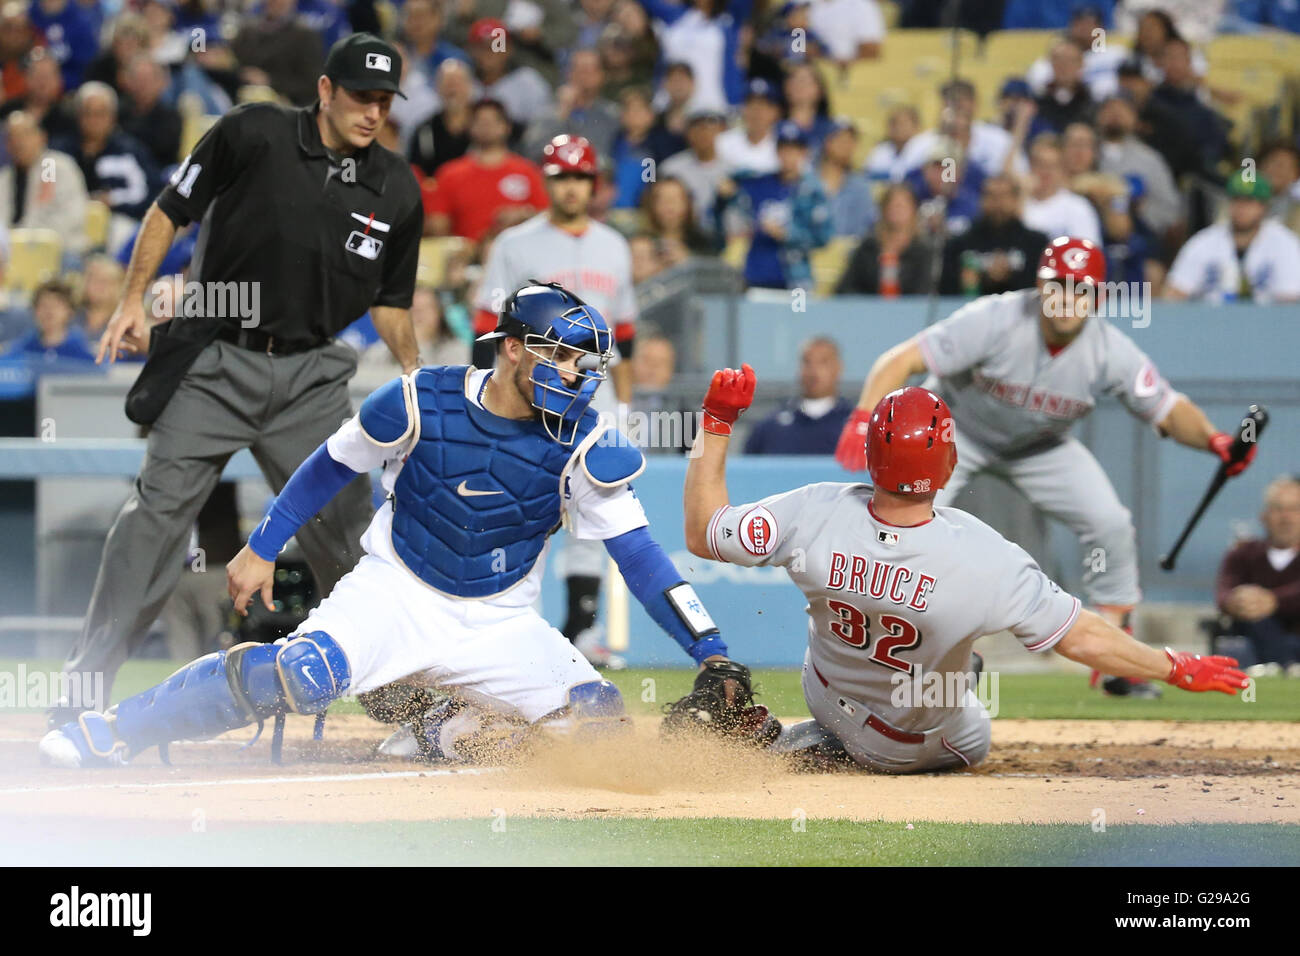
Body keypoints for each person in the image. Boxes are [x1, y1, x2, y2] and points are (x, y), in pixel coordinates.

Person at [41, 284, 768, 768]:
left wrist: (710, 649)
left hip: (498, 620)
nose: (577, 377)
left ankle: (437, 725)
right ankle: (113, 731)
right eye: (562, 358)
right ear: (513, 347)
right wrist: (263, 547)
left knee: (598, 732)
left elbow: (640, 558)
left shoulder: (588, 442)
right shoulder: (422, 400)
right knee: (301, 673)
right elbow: (331, 464)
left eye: (586, 365)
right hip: (395, 589)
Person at [48, 33, 424, 725]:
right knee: (152, 524)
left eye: (384, 100)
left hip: (314, 375)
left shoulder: (396, 187)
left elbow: (392, 306)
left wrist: (413, 373)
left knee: (350, 540)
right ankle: (81, 691)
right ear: (325, 91)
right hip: (218, 359)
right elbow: (170, 209)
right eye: (361, 97)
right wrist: (132, 298)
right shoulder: (254, 132)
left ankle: (402, 704)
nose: (373, 112)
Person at [683, 374, 1248, 773]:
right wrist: (1171, 665)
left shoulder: (813, 509)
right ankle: (811, 749)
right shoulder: (984, 555)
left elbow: (703, 531)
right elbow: (1082, 637)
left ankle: (817, 735)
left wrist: (716, 421)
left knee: (934, 666)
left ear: (872, 453)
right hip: (902, 743)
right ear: (947, 463)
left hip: (825, 693)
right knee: (972, 723)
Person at [836, 235, 1259, 697]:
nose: (1067, 297)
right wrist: (863, 418)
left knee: (1111, 524)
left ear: (1098, 296)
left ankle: (1118, 662)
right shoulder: (993, 318)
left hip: (1041, 447)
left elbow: (1167, 408)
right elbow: (900, 361)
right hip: (958, 435)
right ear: (1039, 286)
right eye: (1058, 284)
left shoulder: (1109, 350)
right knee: (908, 525)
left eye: (1081, 288)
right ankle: (896, 646)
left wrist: (1215, 440)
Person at [472, 135, 638, 669]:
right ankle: (513, 628)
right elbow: (485, 328)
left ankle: (581, 630)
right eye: (562, 176)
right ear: (548, 182)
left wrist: (627, 406)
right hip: (529, 396)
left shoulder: (615, 246)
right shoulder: (514, 244)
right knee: (520, 510)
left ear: (593, 184)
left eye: (580, 177)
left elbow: (627, 337)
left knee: (593, 512)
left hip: (597, 391)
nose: (571, 186)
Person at [716, 121, 831, 290]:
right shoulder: (760, 183)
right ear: (776, 151)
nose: (788, 155)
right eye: (784, 149)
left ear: (804, 152)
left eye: (794, 149)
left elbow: (823, 237)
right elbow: (732, 196)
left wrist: (787, 234)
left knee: (799, 313)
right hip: (757, 274)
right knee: (757, 316)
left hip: (797, 279)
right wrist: (726, 193)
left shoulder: (813, 190)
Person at [1165, 170, 1300, 303]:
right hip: (1210, 321)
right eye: (1236, 199)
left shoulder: (1285, 243)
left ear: (1263, 206)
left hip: (1267, 321)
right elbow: (1173, 294)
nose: (1241, 207)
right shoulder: (1204, 241)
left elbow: (1290, 302)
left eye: (1248, 201)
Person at [425, 97, 549, 241]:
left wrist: (523, 215)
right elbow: (438, 228)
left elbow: (547, 216)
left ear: (507, 127)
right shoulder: (449, 174)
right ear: (469, 127)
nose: (486, 126)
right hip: (466, 257)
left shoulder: (527, 172)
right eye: (480, 121)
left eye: (493, 121)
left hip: (518, 255)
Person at [1215, 476, 1300, 673]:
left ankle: (1283, 663)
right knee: (1256, 619)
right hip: (1255, 639)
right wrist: (1240, 601)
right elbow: (1224, 594)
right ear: (1264, 516)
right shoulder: (1242, 554)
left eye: (1294, 509)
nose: (1286, 517)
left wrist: (1273, 600)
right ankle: (1287, 665)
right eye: (1278, 509)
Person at [53, 81, 159, 225]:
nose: (94, 120)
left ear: (113, 117)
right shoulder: (59, 152)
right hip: (68, 221)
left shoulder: (131, 151)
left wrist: (113, 200)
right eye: (88, 113)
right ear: (78, 115)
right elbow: (45, 189)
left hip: (118, 220)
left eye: (100, 114)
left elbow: (152, 194)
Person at [939, 173, 1047, 296]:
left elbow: (1041, 289)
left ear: (1016, 200)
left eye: (1004, 196)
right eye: (991, 195)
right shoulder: (959, 245)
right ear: (981, 200)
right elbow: (945, 291)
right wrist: (980, 280)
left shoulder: (1036, 244)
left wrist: (1011, 276)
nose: (997, 203)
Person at [744, 337, 851, 455]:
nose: (814, 370)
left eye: (823, 362)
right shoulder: (770, 427)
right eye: (807, 362)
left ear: (838, 368)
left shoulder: (855, 426)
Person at [0, 111, 87, 255]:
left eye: (25, 134)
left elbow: (56, 216)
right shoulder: (4, 176)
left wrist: (24, 242)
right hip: (13, 253)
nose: (18, 142)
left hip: (58, 249)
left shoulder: (51, 166)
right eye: (12, 137)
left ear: (41, 137)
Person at [521, 48, 620, 162]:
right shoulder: (547, 113)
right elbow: (531, 151)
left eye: (589, 70)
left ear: (602, 75)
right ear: (569, 73)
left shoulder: (613, 114)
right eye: (579, 69)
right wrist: (562, 112)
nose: (583, 76)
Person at [835, 183, 931, 296]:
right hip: (868, 311)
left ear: (914, 210)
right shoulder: (868, 248)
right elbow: (846, 288)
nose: (897, 210)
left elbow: (925, 291)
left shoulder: (923, 251)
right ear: (884, 209)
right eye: (892, 205)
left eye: (902, 206)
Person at [230, 0, 324, 107]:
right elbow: (233, 65)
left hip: (288, 108)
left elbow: (312, 85)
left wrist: (270, 81)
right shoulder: (247, 31)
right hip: (242, 102)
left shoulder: (305, 36)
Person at [464, 17, 553, 128]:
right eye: (482, 47)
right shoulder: (463, 83)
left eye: (497, 45)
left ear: (509, 49)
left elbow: (543, 129)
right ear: (470, 50)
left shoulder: (528, 83)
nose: (489, 52)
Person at [1020, 133, 1102, 245]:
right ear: (1030, 166)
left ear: (1062, 169)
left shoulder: (1078, 207)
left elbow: (1087, 252)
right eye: (1040, 165)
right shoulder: (1017, 204)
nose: (1046, 172)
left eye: (1052, 166)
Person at [660, 106, 728, 237]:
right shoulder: (670, 168)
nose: (704, 134)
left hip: (726, 236)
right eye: (697, 128)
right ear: (687, 133)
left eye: (710, 128)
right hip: (682, 236)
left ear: (723, 131)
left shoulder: (735, 168)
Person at [407, 59, 475, 178]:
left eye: (458, 83)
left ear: (470, 86)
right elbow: (416, 173)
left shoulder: (485, 127)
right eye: (448, 83)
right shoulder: (425, 131)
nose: (453, 89)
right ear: (437, 88)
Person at [118, 54, 181, 169]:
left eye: (148, 80)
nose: (142, 85)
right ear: (128, 82)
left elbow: (164, 149)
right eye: (137, 79)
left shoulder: (170, 117)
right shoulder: (118, 113)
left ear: (160, 83)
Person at [816, 119, 875, 239]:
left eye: (851, 140)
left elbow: (863, 229)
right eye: (840, 139)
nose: (846, 145)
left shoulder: (860, 186)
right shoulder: (806, 182)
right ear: (827, 142)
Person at [715, 77, 781, 177]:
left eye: (763, 105)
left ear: (775, 111)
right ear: (743, 109)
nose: (757, 112)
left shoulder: (785, 146)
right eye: (751, 104)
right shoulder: (723, 142)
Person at [863, 104, 919, 183]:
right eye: (894, 123)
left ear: (916, 126)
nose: (899, 127)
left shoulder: (925, 150)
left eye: (904, 123)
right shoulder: (879, 152)